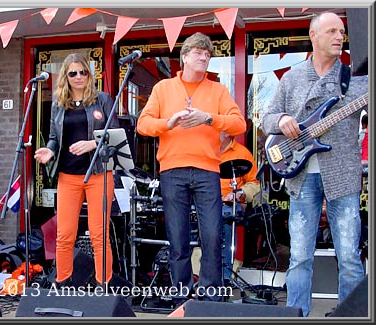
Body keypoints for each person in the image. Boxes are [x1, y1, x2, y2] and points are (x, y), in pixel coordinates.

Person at [260, 12, 367, 317]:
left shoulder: (356, 80)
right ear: (313, 35)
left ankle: (352, 316)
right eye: (332, 31)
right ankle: (297, 315)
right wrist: (281, 120)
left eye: (342, 31)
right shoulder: (293, 77)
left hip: (343, 175)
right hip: (300, 174)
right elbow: (267, 118)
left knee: (348, 257)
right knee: (299, 257)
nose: (339, 36)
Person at [137, 32, 246, 303]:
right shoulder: (163, 88)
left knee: (212, 235)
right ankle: (182, 299)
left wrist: (208, 118)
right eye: (198, 52)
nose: (204, 57)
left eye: (207, 54)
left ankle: (210, 299)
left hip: (208, 170)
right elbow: (143, 124)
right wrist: (169, 123)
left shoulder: (217, 90)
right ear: (184, 57)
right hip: (172, 170)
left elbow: (239, 124)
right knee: (178, 238)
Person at [34, 53, 119, 287]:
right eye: (73, 73)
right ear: (66, 77)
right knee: (64, 234)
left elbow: (116, 134)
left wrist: (93, 144)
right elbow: (53, 138)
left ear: (89, 75)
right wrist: (50, 151)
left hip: (99, 174)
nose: (78, 76)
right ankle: (63, 283)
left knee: (98, 234)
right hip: (68, 176)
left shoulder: (102, 100)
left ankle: (104, 285)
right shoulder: (58, 105)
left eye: (83, 72)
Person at [219, 132, 260, 285]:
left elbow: (255, 184)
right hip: (205, 203)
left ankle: (224, 278)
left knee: (226, 215)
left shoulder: (242, 153)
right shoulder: (204, 150)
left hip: (229, 204)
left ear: (227, 133)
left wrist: (239, 193)